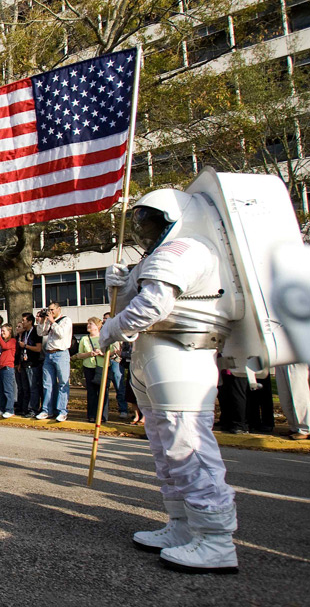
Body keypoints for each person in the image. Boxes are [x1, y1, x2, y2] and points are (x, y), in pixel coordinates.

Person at [100, 187, 241, 573]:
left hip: (183, 353)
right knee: (165, 446)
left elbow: (153, 305)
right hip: (154, 353)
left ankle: (215, 539)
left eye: (151, 221)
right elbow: (136, 297)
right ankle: (182, 524)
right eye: (141, 222)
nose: (145, 229)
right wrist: (120, 283)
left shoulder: (186, 249)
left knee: (187, 445)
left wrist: (111, 329)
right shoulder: (158, 256)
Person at [35, 302, 72, 422]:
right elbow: (41, 333)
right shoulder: (50, 321)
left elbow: (61, 334)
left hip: (61, 353)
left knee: (62, 383)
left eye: (52, 310)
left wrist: (52, 321)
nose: (50, 312)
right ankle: (47, 410)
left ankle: (62, 411)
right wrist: (41, 321)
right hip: (49, 354)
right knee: (47, 384)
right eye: (48, 310)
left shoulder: (66, 320)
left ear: (59, 309)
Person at [77, 317, 117, 423]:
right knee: (91, 392)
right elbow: (79, 354)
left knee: (103, 392)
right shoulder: (84, 339)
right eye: (88, 324)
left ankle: (103, 416)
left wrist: (102, 353)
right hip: (89, 367)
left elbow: (113, 351)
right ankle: (91, 415)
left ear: (97, 326)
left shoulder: (104, 338)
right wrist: (89, 354)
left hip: (103, 367)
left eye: (91, 324)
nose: (88, 326)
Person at [16, 313, 43, 417]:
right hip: (23, 363)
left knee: (33, 388)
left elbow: (38, 348)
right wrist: (20, 363)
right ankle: (24, 408)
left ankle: (33, 408)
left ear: (30, 321)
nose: (22, 322)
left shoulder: (35, 332)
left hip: (32, 364)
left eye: (24, 320)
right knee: (25, 388)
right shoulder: (24, 333)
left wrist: (26, 345)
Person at [102, 312, 128, 418]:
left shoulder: (118, 331)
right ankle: (103, 411)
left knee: (119, 387)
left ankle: (123, 410)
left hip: (116, 362)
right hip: (104, 361)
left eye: (107, 319)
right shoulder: (103, 332)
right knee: (104, 387)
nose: (104, 321)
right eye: (103, 319)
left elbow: (122, 348)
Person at [277, 364, 309, 440]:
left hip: (296, 361)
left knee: (299, 395)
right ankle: (294, 427)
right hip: (281, 360)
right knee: (285, 397)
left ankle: (305, 429)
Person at [0, 324, 17, 417]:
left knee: (8, 390)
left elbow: (5, 347)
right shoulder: (1, 341)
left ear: (9, 332)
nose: (2, 333)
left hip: (8, 367)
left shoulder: (12, 341)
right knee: (1, 389)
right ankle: (2, 408)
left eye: (4, 331)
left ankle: (10, 409)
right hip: (0, 367)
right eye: (1, 331)